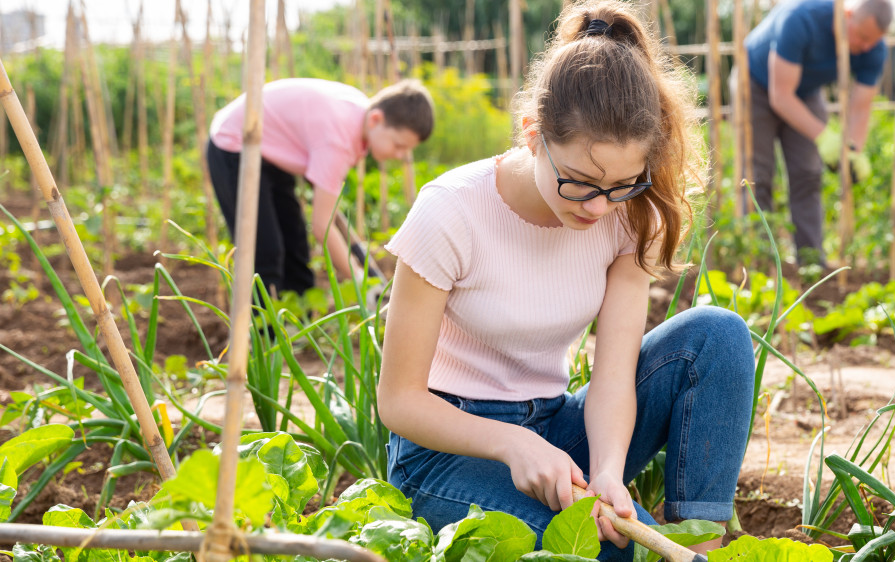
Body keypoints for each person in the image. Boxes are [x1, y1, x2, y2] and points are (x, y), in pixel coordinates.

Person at [375, 2, 756, 560]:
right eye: (580, 182)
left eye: (622, 184)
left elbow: (613, 376)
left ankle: (703, 539)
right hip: (447, 451)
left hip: (558, 429)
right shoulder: (451, 213)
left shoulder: (632, 214)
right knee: (607, 551)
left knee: (716, 335)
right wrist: (513, 444)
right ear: (533, 135)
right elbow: (399, 400)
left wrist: (605, 470)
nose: (600, 207)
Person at [207, 78, 435, 297]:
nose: (399, 155)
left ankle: (299, 323)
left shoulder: (360, 113)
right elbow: (322, 228)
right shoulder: (338, 138)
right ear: (376, 119)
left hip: (270, 148)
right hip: (236, 143)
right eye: (398, 146)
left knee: (295, 243)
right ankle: (266, 331)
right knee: (264, 249)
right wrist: (361, 284)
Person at [743, 0, 892, 267]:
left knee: (808, 174)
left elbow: (860, 108)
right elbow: (781, 96)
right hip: (757, 83)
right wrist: (824, 137)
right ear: (847, 15)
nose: (866, 46)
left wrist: (853, 150)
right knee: (758, 175)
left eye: (873, 41)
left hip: (806, 90)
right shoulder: (801, 19)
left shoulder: (874, 49)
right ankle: (758, 262)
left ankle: (811, 262)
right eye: (862, 37)